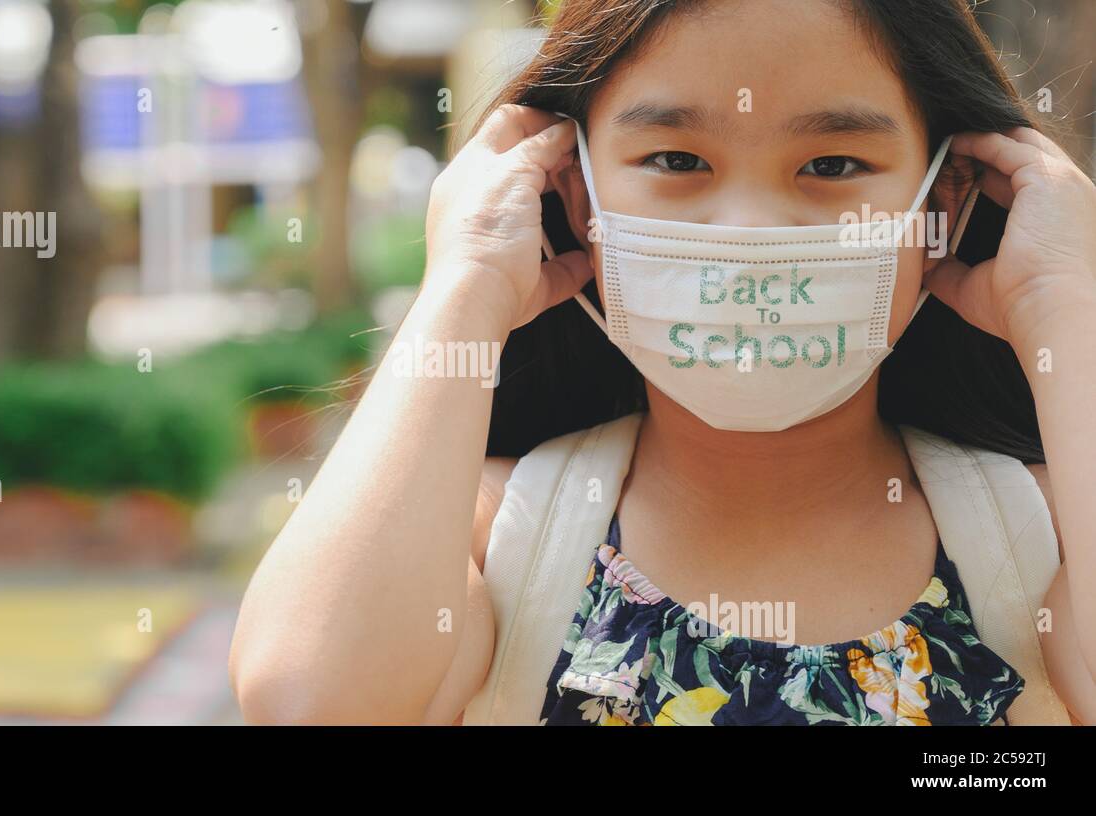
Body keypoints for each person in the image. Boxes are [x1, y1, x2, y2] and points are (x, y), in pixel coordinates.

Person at [229, 0, 1096, 726]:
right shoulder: (495, 539)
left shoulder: (1041, 543)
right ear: (574, 193)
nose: (748, 232)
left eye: (832, 164)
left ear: (941, 205)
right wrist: (465, 287)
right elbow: (310, 699)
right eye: (676, 160)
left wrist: (1063, 303)